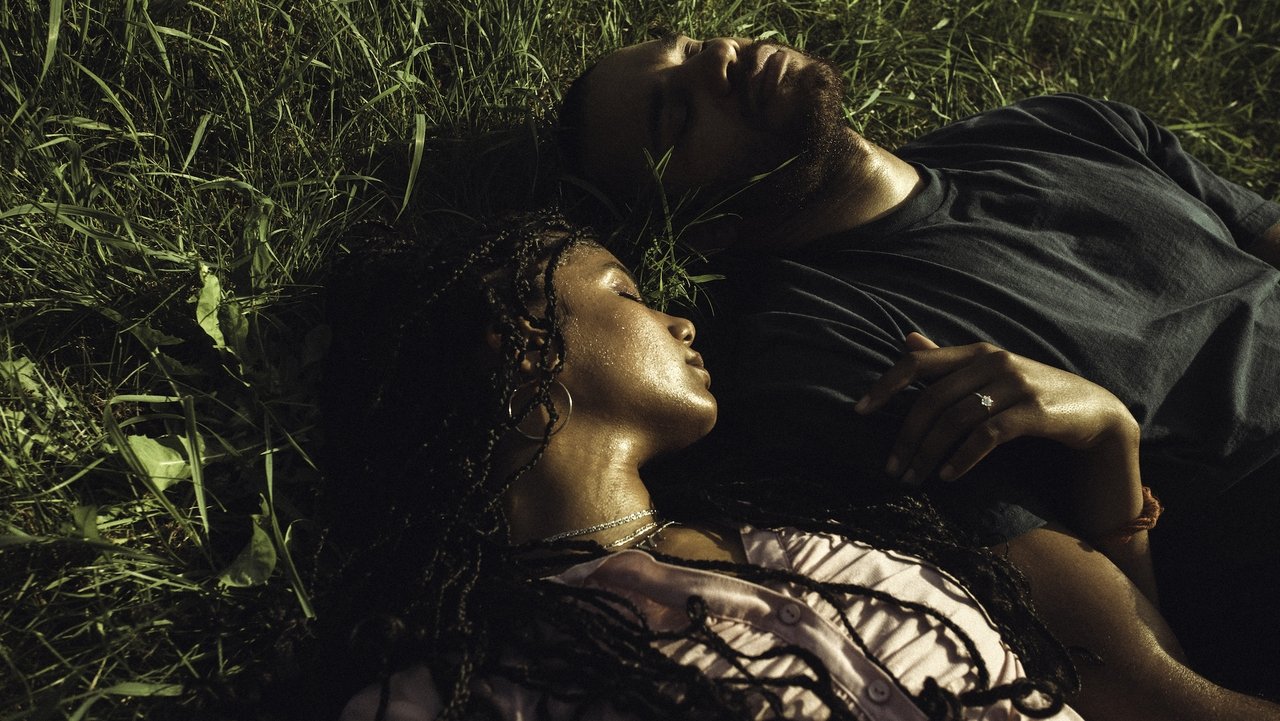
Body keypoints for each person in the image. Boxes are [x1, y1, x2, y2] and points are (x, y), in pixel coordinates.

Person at [556, 31, 1280, 703]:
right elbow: (1142, 686)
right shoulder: (828, 352)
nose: (718, 55)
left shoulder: (1058, 124)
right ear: (703, 230)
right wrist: (1108, 436)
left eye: (687, 47)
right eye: (678, 114)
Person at [309, 210, 1202, 721]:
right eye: (626, 292)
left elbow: (1144, 684)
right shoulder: (455, 692)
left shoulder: (820, 536)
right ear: (526, 341)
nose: (680, 321)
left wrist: (1111, 439)